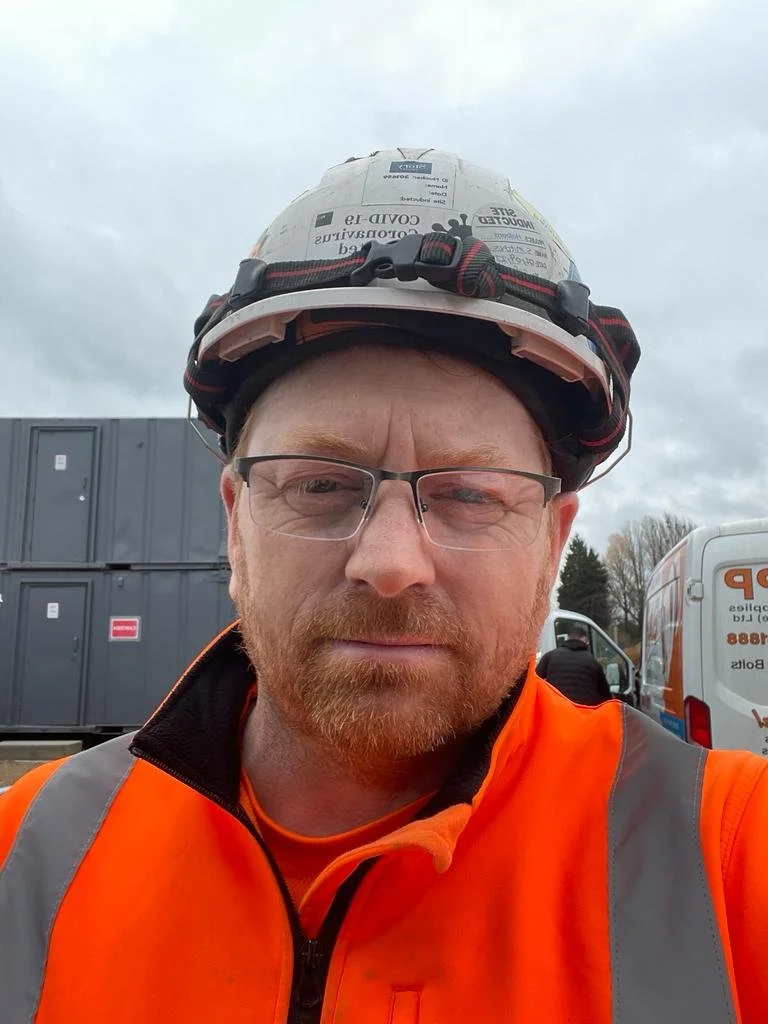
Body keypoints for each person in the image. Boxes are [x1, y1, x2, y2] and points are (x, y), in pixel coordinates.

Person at [1, 148, 765, 1024]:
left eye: (470, 494)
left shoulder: (729, 855)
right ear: (235, 521)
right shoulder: (27, 856)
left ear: (552, 541)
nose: (392, 563)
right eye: (320, 483)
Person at [536, 623, 613, 705]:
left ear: (569, 638)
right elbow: (605, 695)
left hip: (555, 707)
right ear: (584, 639)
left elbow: (534, 679)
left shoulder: (550, 656)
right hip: (582, 710)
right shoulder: (592, 661)